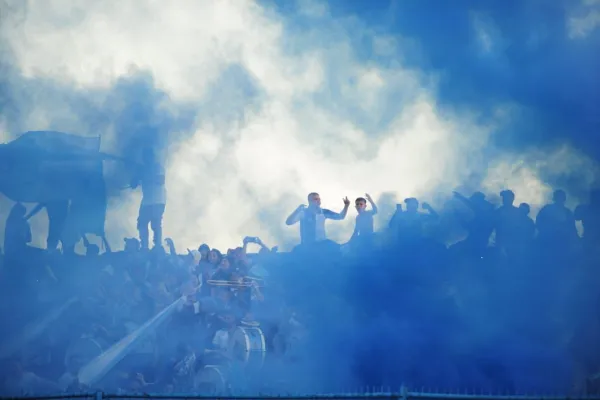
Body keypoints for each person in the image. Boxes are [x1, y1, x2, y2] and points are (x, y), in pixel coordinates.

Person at [131, 148, 167, 250]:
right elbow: (133, 184)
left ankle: (157, 246)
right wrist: (137, 175)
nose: (146, 159)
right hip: (147, 201)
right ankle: (144, 246)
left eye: (148, 157)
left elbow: (160, 180)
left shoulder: (158, 167)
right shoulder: (142, 169)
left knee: (155, 223)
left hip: (158, 200)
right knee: (142, 222)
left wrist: (145, 173)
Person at [285, 192, 350, 245]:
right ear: (310, 201)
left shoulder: (324, 212)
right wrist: (297, 210)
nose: (319, 201)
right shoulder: (303, 213)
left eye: (319, 199)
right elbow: (288, 222)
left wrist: (346, 206)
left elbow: (340, 217)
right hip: (307, 245)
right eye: (316, 199)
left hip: (322, 244)